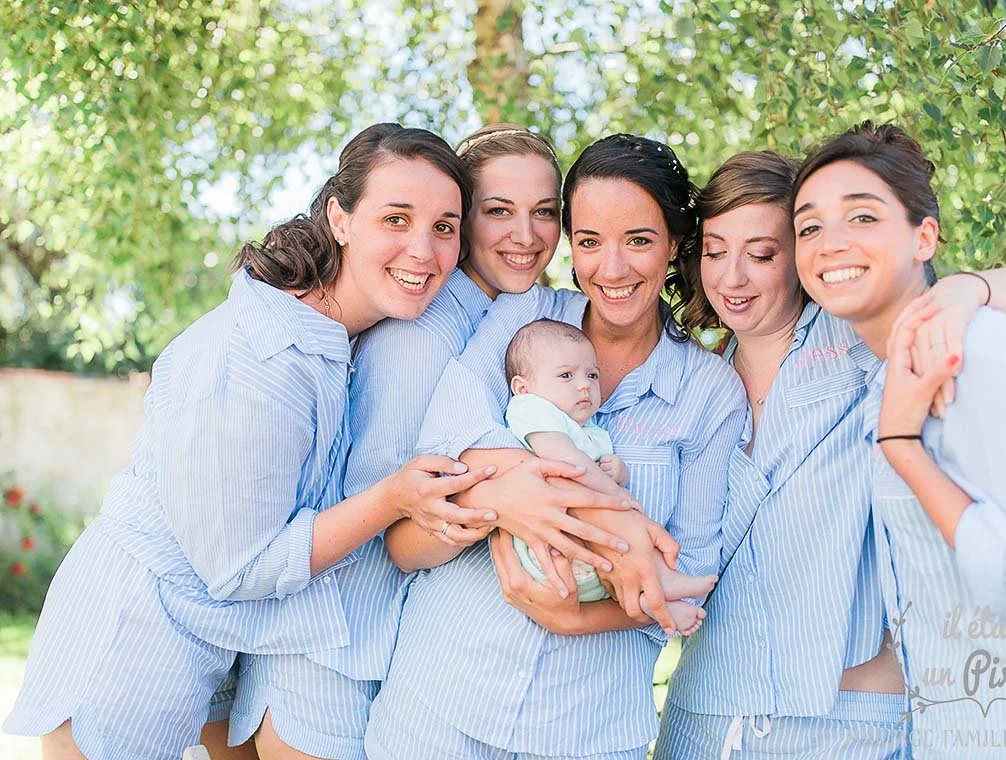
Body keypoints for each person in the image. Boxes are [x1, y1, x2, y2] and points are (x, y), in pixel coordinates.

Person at [3, 123, 493, 760]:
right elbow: (243, 566)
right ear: (339, 219)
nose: (423, 251)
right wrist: (396, 498)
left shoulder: (332, 338)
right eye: (395, 219)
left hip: (212, 638)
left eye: (445, 228)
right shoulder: (265, 360)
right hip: (134, 630)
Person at [656, 149, 1006, 758]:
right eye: (714, 252)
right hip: (702, 717)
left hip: (847, 725)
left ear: (799, 257)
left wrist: (963, 292)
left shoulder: (859, 339)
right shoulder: (694, 383)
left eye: (762, 253)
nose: (732, 277)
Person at [232, 124, 631, 760]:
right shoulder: (421, 334)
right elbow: (378, 491)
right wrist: (507, 492)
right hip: (329, 642)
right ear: (462, 218)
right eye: (497, 211)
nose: (525, 236)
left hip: (393, 645)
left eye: (544, 213)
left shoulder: (508, 316)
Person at [364, 134, 750, 759]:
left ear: (676, 244)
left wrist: (573, 616)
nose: (613, 268)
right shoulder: (521, 319)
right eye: (591, 241)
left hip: (586, 729)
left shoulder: (708, 393)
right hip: (439, 702)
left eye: (640, 240)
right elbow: (430, 494)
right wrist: (539, 500)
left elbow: (689, 577)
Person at [792, 121, 1006, 757]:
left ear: (925, 236)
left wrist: (901, 448)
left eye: (862, 218)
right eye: (808, 228)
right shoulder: (876, 373)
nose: (829, 244)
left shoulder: (978, 352)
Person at [504, 317, 717, 635]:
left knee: (621, 549)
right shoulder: (530, 408)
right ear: (523, 387)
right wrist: (618, 496)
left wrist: (619, 472)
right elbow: (566, 461)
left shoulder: (591, 431)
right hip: (548, 550)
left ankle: (653, 599)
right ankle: (659, 585)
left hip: (589, 562)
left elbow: (599, 469)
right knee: (622, 527)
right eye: (566, 375)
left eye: (592, 375)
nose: (584, 385)